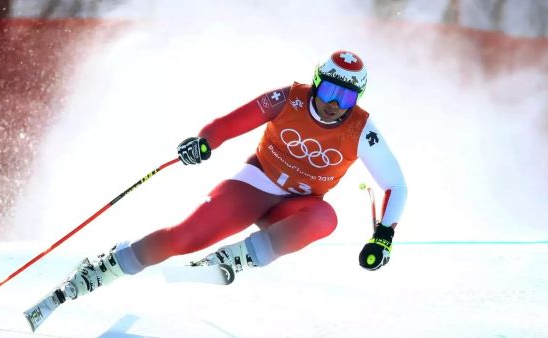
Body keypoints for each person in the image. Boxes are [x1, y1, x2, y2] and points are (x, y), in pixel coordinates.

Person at [59, 50, 408, 302]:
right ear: (317, 83)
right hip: (254, 186)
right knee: (185, 237)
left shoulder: (362, 130)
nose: (335, 103)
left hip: (297, 207)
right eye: (330, 90)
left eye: (346, 97)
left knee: (325, 218)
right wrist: (204, 142)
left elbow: (396, 184)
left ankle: (233, 259)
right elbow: (227, 124)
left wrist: (383, 236)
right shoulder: (288, 99)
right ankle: (105, 267)